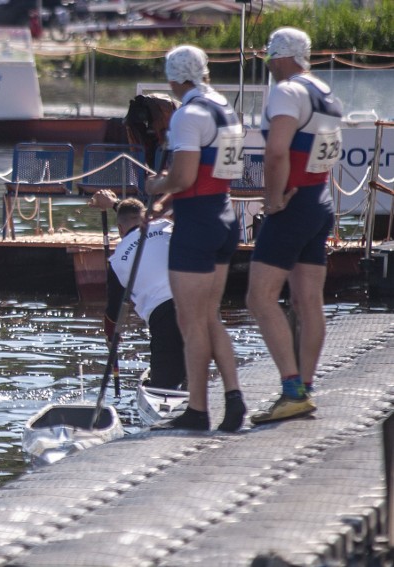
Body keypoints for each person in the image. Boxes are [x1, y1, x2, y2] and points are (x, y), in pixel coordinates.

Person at [144, 44, 246, 432]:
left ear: (174, 79)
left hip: (198, 225)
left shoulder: (187, 114)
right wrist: (170, 201)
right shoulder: (225, 108)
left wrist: (158, 186)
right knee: (209, 316)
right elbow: (211, 174)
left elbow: (184, 177)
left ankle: (199, 410)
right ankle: (234, 397)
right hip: (222, 215)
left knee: (190, 320)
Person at [246, 27, 342, 424]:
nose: (267, 64)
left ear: (280, 57)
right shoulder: (327, 92)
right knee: (308, 301)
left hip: (294, 203)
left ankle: (291, 389)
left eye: (269, 56)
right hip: (320, 199)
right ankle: (304, 386)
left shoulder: (286, 92)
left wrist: (271, 199)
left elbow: (275, 152)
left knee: (259, 297)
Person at [88, 193, 186, 390]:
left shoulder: (116, 262)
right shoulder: (167, 226)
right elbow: (136, 215)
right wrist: (115, 204)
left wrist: (111, 335)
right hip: (194, 300)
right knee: (192, 369)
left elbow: (113, 313)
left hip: (163, 316)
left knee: (162, 388)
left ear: (119, 229)